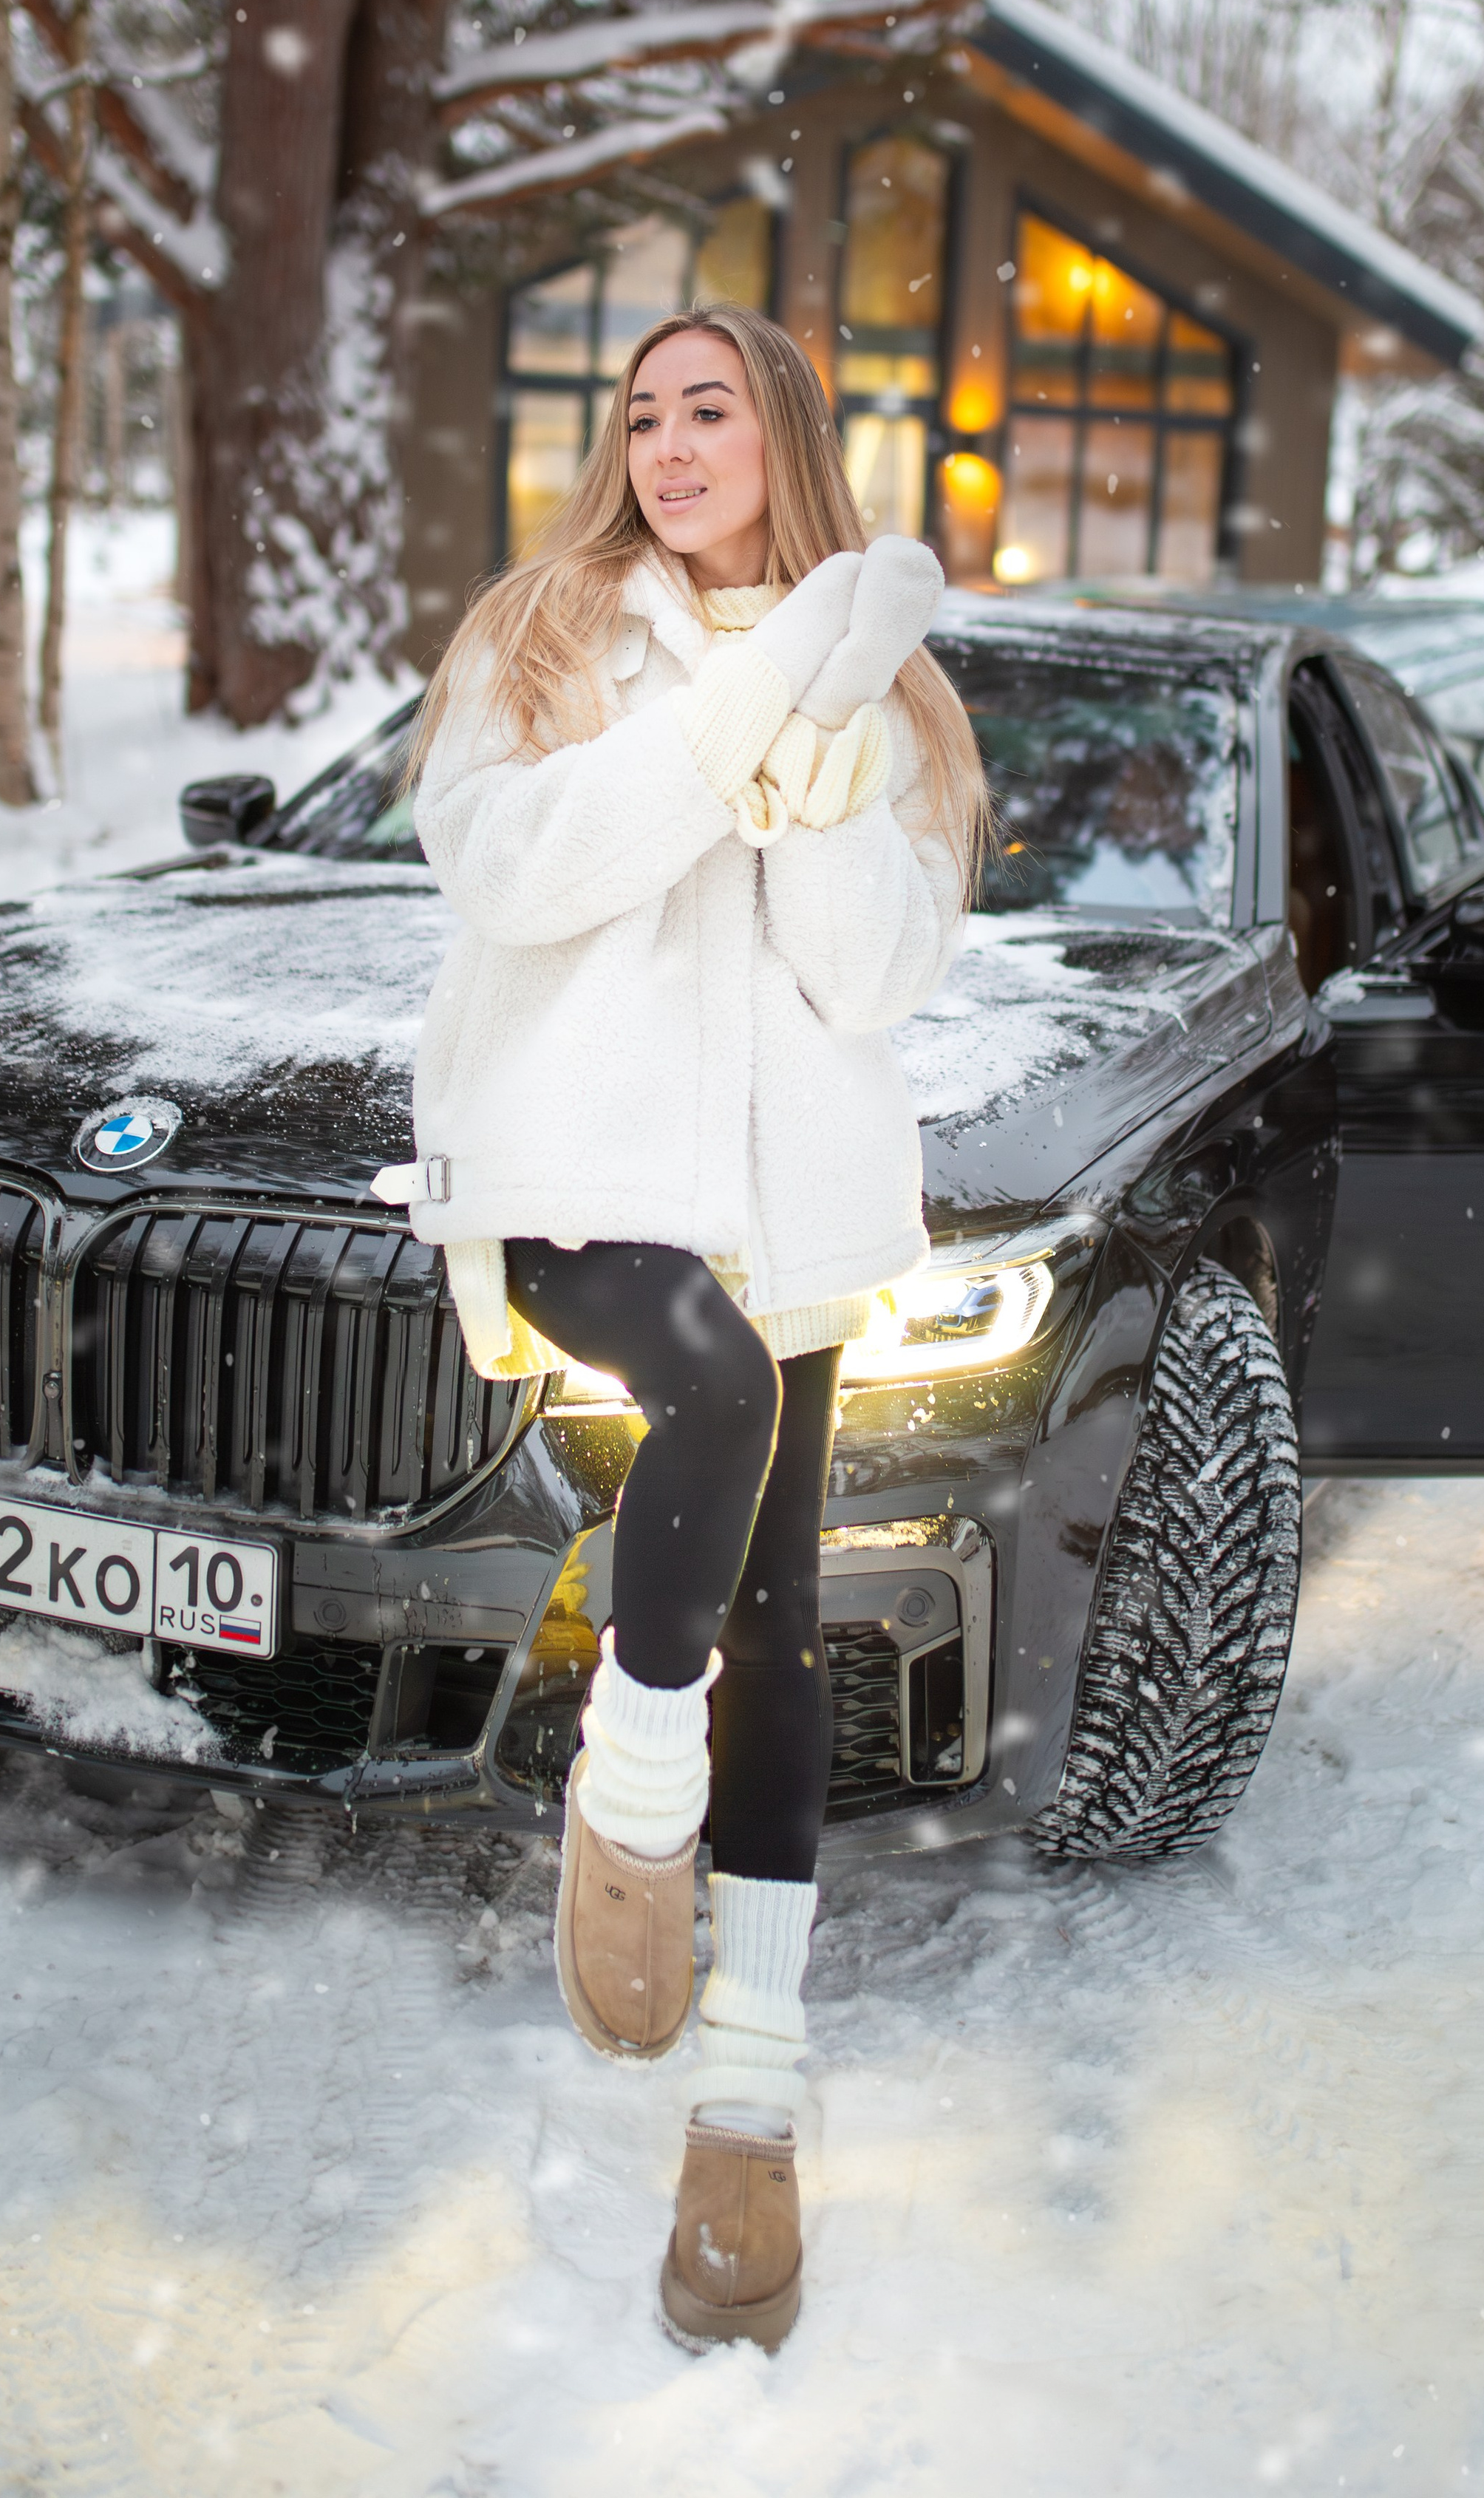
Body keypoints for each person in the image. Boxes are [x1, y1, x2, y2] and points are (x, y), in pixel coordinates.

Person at [398, 302, 984, 2352]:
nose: (666, 441)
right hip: (577, 1186)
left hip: (791, 1212)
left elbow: (873, 979)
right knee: (709, 1385)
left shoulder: (890, 694)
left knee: (786, 1617)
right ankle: (628, 1799)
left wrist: (815, 775)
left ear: (784, 436)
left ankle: (751, 2096)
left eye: (707, 407)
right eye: (642, 412)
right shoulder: (544, 636)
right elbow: (508, 871)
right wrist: (715, 736)